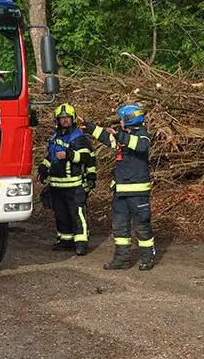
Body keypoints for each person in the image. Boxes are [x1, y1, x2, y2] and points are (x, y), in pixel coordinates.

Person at [81, 103, 155, 271]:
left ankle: (147, 258)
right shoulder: (123, 135)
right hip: (120, 192)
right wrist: (89, 126)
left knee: (142, 227)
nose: (120, 121)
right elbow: (106, 137)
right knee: (119, 227)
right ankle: (122, 259)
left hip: (138, 193)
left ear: (130, 119)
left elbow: (140, 146)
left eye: (122, 119)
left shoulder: (142, 135)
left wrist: (120, 135)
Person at [37, 103, 96, 255]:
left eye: (67, 118)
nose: (64, 120)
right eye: (61, 118)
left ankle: (81, 243)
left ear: (73, 119)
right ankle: (65, 241)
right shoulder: (55, 136)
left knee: (77, 215)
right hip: (56, 185)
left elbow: (86, 157)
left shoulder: (78, 138)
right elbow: (51, 155)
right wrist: (43, 168)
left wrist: (69, 155)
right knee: (61, 215)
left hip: (74, 185)